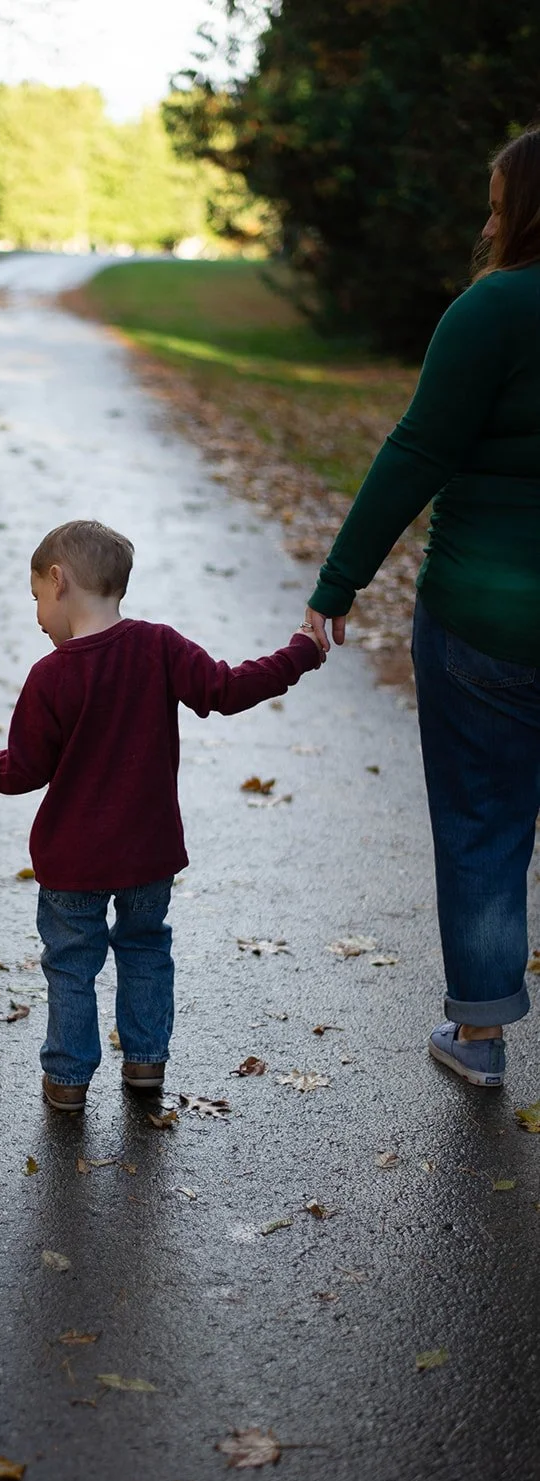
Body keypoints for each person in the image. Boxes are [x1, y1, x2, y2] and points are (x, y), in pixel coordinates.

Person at [0, 520, 324, 1112]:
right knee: (145, 949)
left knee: (70, 964)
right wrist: (298, 654)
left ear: (59, 582)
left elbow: (22, 771)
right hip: (148, 853)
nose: (38, 614)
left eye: (37, 596)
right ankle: (145, 1063)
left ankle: (67, 1077)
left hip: (72, 863)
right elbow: (227, 688)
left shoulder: (51, 676)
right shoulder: (158, 646)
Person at [305, 126, 540, 1091]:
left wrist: (337, 585)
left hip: (482, 619)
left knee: (483, 823)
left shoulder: (491, 310)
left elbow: (416, 454)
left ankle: (478, 1041)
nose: (485, 222)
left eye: (496, 204)